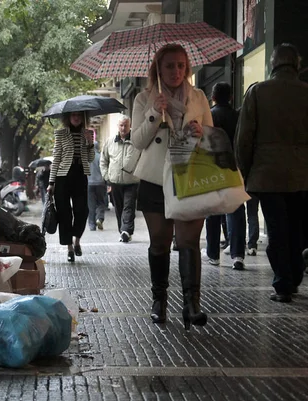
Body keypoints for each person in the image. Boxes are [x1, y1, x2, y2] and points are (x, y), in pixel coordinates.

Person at [131, 44, 213, 329]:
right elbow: (138, 141)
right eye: (169, 66)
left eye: (181, 65)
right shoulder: (144, 99)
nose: (176, 71)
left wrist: (202, 134)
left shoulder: (199, 97)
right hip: (155, 179)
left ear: (187, 68)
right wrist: (155, 113)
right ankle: (159, 300)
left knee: (189, 241)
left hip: (190, 176)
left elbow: (211, 138)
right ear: (158, 69)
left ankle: (192, 304)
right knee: (160, 243)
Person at [236, 43, 308, 303]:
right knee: (297, 227)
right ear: (296, 64)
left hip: (268, 174)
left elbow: (244, 138)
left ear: (272, 65)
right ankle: (295, 274)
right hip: (302, 174)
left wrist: (244, 169)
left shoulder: (257, 92)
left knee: (276, 228)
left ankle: (283, 283)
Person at [202, 82, 245, 270]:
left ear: (213, 97)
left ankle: (213, 254)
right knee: (236, 209)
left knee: (212, 210)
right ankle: (238, 255)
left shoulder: (209, 116)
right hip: (234, 167)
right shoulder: (238, 116)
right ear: (230, 97)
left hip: (213, 168)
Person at [47, 111, 95, 263]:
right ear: (68, 118)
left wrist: (90, 142)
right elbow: (56, 158)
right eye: (73, 115)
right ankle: (69, 248)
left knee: (82, 210)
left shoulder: (87, 133)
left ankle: (77, 241)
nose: (76, 118)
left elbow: (91, 158)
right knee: (64, 213)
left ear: (83, 118)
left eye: (79, 115)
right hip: (63, 176)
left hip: (81, 175)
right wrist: (51, 183)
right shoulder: (61, 134)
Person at [100, 115, 140, 242]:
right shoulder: (110, 141)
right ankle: (122, 231)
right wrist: (107, 177)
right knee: (118, 207)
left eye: (126, 125)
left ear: (130, 125)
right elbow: (103, 161)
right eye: (121, 125)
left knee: (128, 207)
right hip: (115, 181)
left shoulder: (137, 141)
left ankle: (126, 231)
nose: (123, 128)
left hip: (132, 181)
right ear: (118, 126)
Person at [87, 142, 108, 231]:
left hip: (89, 183)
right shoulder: (100, 157)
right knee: (100, 202)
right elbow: (104, 169)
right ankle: (99, 218)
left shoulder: (86, 158)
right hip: (100, 183)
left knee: (91, 205)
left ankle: (92, 225)